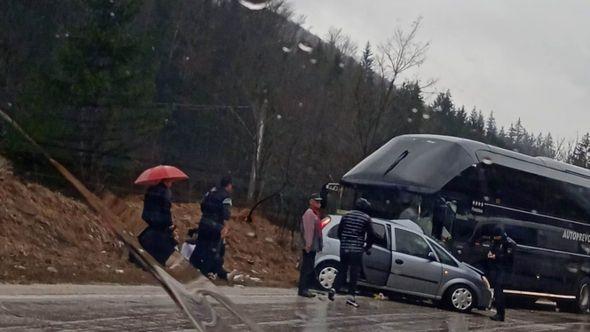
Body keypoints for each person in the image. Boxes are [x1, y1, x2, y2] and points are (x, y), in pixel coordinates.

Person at [190, 176, 234, 281]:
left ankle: (192, 267)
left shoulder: (211, 191)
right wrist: (224, 227)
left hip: (203, 223)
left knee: (200, 247)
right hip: (215, 226)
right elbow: (226, 214)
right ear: (228, 185)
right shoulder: (226, 196)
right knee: (214, 251)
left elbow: (202, 205)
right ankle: (207, 273)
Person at [336, 197, 375, 308]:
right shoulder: (366, 218)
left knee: (342, 269)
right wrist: (367, 246)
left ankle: (333, 289)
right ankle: (351, 296)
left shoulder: (346, 215)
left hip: (344, 248)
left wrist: (343, 241)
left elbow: (340, 231)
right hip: (356, 250)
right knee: (354, 273)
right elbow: (371, 235)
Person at [138, 180, 178, 265]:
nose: (172, 183)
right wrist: (169, 223)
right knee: (160, 242)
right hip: (160, 221)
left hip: (148, 219)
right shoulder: (165, 192)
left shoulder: (150, 189)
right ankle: (158, 261)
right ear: (166, 181)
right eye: (170, 181)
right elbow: (165, 210)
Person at [488, 225, 516, 322]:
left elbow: (508, 258)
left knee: (499, 292)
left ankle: (500, 314)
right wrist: (490, 253)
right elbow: (493, 248)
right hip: (496, 269)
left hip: (504, 271)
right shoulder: (496, 241)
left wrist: (496, 256)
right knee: (496, 292)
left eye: (497, 237)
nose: (495, 238)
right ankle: (498, 313)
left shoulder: (509, 243)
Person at [297, 193, 323, 298]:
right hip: (309, 246)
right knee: (307, 268)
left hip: (312, 246)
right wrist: (308, 245)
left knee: (309, 267)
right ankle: (303, 289)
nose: (319, 203)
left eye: (319, 201)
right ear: (311, 202)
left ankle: (305, 288)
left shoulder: (315, 213)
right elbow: (309, 230)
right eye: (316, 201)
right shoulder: (309, 213)